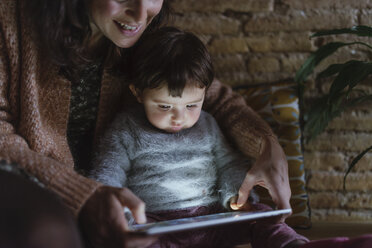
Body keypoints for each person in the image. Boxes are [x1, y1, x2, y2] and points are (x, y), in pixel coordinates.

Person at [0, 0, 292, 247]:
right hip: (30, 182)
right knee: (48, 233)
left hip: (122, 206)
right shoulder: (11, 21)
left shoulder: (145, 38)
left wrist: (266, 144)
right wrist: (81, 194)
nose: (141, 15)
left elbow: (214, 98)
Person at [89, 26, 309, 248]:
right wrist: (121, 211)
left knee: (263, 217)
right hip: (155, 222)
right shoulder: (126, 128)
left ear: (205, 93)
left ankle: (291, 245)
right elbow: (108, 172)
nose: (179, 117)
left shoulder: (207, 123)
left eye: (192, 105)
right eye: (165, 106)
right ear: (138, 92)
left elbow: (228, 163)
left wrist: (235, 197)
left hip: (213, 217)